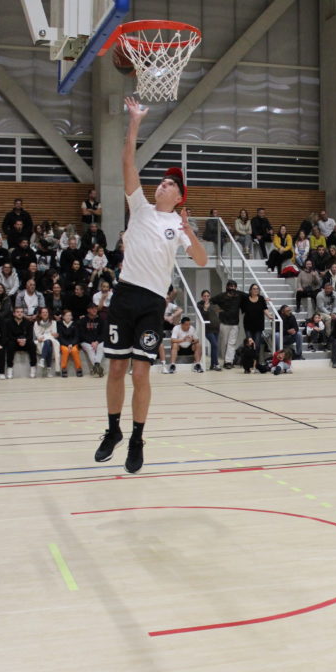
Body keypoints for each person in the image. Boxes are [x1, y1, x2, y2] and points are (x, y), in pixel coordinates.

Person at [95, 98, 207, 474]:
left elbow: (202, 260)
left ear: (179, 196)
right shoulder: (140, 207)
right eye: (163, 180)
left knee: (141, 373)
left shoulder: (178, 225)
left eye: (171, 183)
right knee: (116, 369)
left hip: (152, 302)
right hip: (125, 294)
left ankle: (137, 438)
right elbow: (128, 162)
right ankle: (113, 430)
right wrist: (134, 122)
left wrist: (190, 231)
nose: (164, 183)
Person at [211, 280, 245, 369]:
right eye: (230, 286)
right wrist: (216, 309)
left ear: (236, 287)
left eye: (234, 286)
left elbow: (250, 297)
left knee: (232, 343)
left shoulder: (239, 295)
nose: (232, 288)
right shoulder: (221, 296)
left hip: (235, 324)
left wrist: (263, 299)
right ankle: (224, 359)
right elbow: (210, 301)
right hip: (224, 323)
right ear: (227, 287)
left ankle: (228, 362)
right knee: (224, 343)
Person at [198, 289, 221, 371]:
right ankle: (216, 364)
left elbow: (217, 312)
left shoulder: (213, 304)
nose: (206, 297)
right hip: (207, 329)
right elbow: (203, 316)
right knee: (215, 345)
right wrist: (205, 308)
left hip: (216, 328)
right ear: (202, 297)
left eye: (208, 296)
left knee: (214, 346)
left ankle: (212, 364)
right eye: (204, 296)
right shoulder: (199, 305)